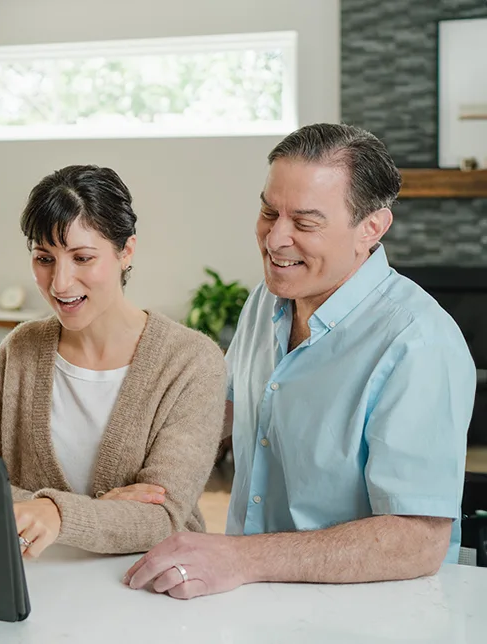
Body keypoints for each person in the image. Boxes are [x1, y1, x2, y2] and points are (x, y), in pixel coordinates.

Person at [125, 123, 476, 600]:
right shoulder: (264, 302)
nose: (275, 240)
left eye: (305, 223)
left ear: (370, 228)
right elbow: (217, 417)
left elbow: (418, 542)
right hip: (248, 595)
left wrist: (241, 557)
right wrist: (137, 482)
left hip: (370, 613)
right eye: (269, 212)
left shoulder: (419, 342)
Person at [0, 164, 227, 558]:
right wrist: (104, 512)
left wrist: (55, 513)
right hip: (37, 579)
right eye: (44, 258)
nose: (60, 282)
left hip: (146, 586)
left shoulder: (191, 362)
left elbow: (164, 519)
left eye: (82, 258)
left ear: (125, 251)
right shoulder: (20, 350)